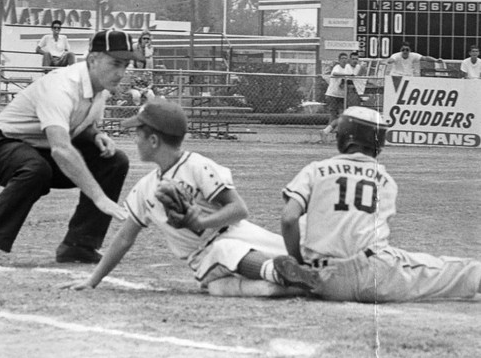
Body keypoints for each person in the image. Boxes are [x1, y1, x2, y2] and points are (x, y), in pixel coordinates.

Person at [62, 99, 317, 297]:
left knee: (300, 254)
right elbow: (124, 238)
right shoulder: (144, 189)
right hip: (204, 255)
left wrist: (202, 222)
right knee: (222, 260)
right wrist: (92, 280)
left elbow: (239, 210)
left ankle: (303, 279)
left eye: (137, 133)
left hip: (241, 233)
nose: (134, 138)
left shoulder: (197, 166)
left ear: (153, 140)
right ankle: (281, 275)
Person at [278, 106, 481, 302]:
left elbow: (289, 218)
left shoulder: (316, 169)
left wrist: (299, 262)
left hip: (324, 280)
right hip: (374, 273)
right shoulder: (385, 180)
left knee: (309, 223)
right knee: (444, 270)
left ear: (344, 137)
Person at [0, 29, 145, 266]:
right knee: (36, 169)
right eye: (115, 63)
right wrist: (99, 197)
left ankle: (79, 245)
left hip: (41, 148)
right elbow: (61, 149)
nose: (121, 72)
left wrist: (95, 134)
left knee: (114, 160)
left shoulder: (100, 87)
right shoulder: (62, 86)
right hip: (1, 147)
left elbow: (75, 123)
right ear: (93, 59)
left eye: (126, 64)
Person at [320, 52, 361, 142]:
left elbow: (348, 81)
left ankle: (328, 132)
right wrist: (347, 76)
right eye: (342, 58)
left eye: (346, 58)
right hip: (332, 94)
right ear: (339, 60)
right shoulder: (337, 67)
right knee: (334, 115)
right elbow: (335, 74)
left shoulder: (349, 68)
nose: (344, 60)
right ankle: (328, 134)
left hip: (343, 96)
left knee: (343, 116)